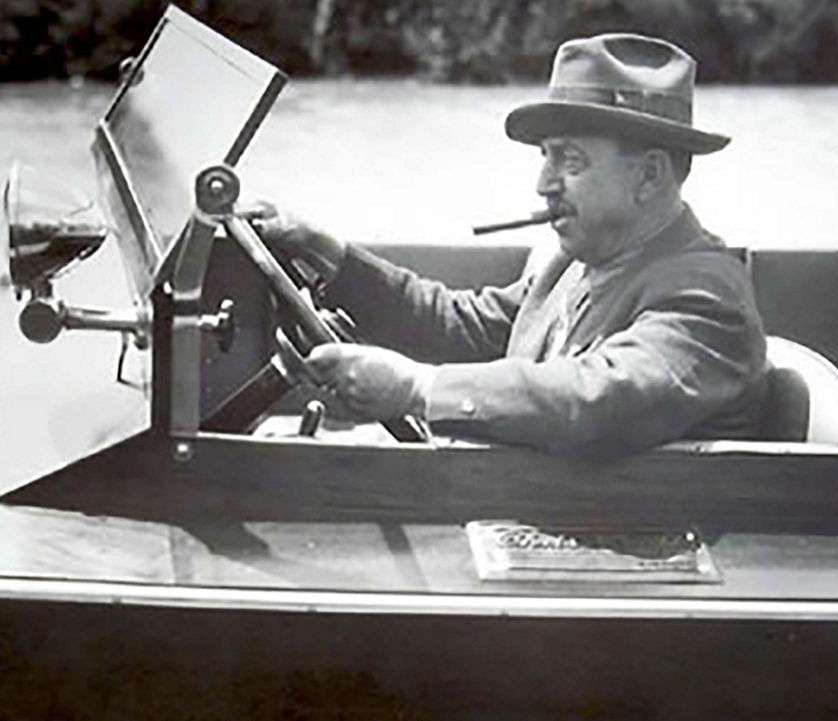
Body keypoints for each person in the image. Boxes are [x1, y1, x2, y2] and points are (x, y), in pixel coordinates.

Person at [250, 33, 770, 457]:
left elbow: (600, 399)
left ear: (651, 176)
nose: (544, 185)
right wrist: (328, 252)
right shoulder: (576, 264)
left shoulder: (705, 296)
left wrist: (416, 389)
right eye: (545, 157)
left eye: (570, 161)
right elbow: (458, 325)